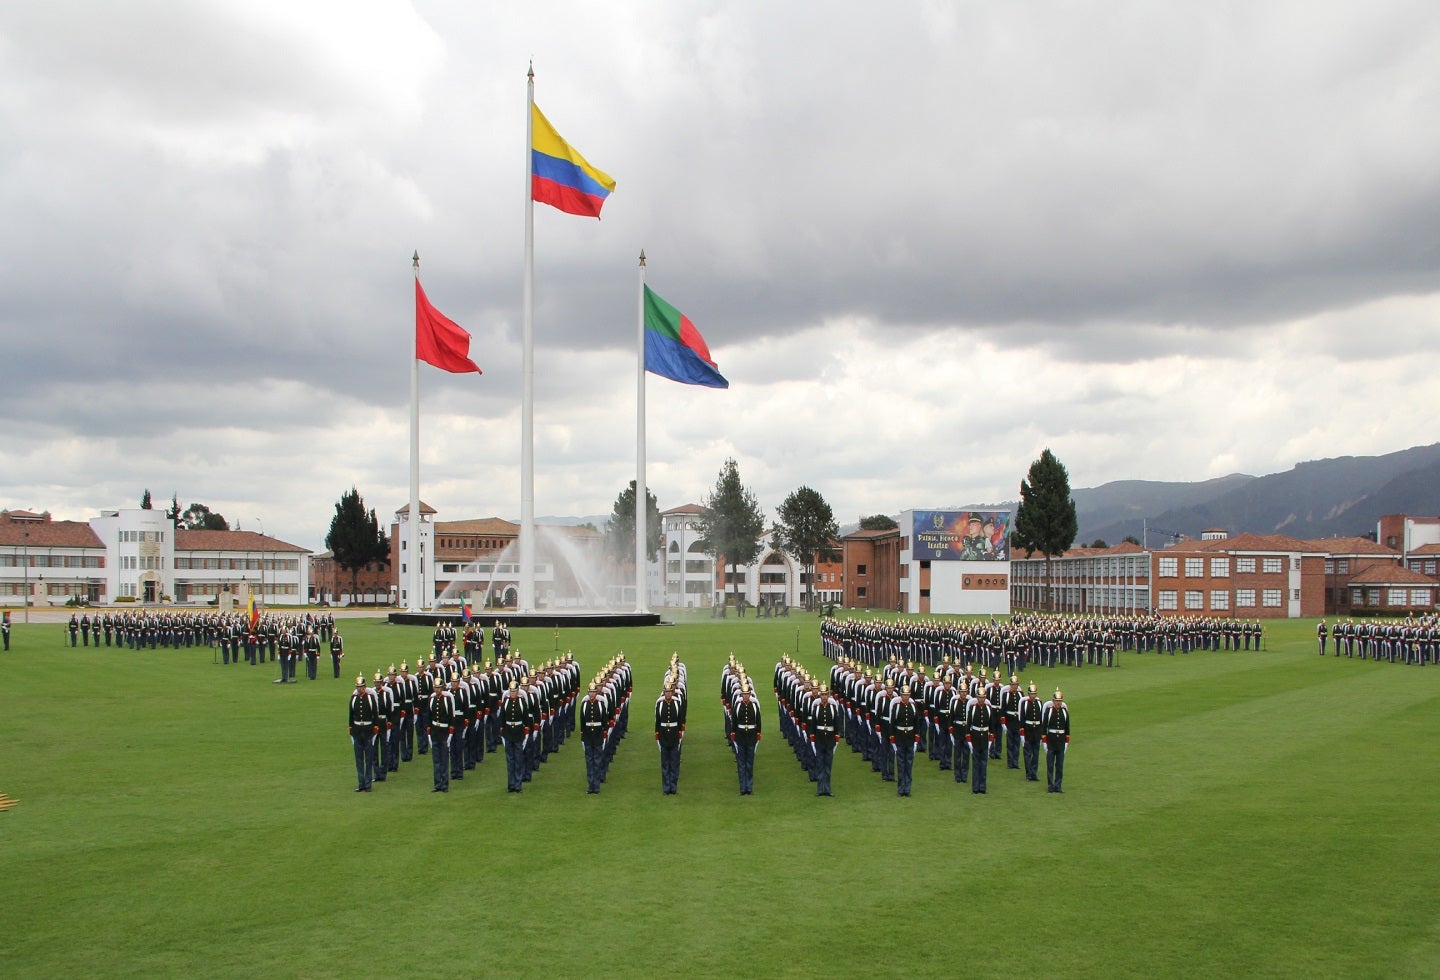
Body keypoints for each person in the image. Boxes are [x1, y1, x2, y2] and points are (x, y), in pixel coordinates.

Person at [347, 675, 379, 792]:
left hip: (368, 731)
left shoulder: (370, 698)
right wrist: (351, 729)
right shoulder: (354, 698)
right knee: (359, 759)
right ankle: (361, 783)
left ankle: (368, 783)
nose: (359, 689)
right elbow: (351, 715)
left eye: (361, 686)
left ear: (365, 687)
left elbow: (375, 715)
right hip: (357, 731)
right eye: (358, 687)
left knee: (368, 759)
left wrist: (374, 730)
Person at [731, 679, 761, 795]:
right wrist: (734, 736)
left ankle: (749, 787)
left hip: (751, 737)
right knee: (741, 764)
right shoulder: (737, 706)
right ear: (742, 695)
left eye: (747, 694)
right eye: (744, 694)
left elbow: (758, 721)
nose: (746, 696)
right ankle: (742, 788)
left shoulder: (754, 706)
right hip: (741, 737)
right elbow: (734, 722)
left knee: (749, 763)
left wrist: (758, 735)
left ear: (750, 694)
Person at [654, 677, 685, 794]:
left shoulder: (677, 703)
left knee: (674, 763)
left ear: (672, 692)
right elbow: (657, 721)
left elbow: (680, 721)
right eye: (666, 692)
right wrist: (657, 734)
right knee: (665, 764)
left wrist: (679, 735)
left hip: (674, 736)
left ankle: (673, 786)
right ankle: (666, 787)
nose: (667, 694)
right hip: (663, 737)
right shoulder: (660, 704)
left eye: (669, 692)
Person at [427, 673, 456, 792]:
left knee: (444, 759)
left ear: (442, 688)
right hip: (435, 731)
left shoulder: (447, 699)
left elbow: (451, 717)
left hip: (444, 732)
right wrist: (429, 732)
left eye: (439, 687)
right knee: (436, 760)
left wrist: (450, 734)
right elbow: (429, 716)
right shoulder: (432, 699)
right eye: (435, 687)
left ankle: (444, 784)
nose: (437, 689)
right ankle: (437, 783)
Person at [889, 684, 920, 796]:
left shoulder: (913, 706)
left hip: (910, 738)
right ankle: (901, 789)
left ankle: (908, 789)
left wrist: (916, 738)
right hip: (900, 738)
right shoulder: (896, 706)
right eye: (903, 695)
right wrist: (892, 739)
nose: (905, 697)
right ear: (901, 695)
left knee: (909, 764)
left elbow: (917, 723)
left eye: (907, 695)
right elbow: (892, 723)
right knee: (901, 765)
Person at [1042, 689, 1071, 793]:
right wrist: (1044, 743)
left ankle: (1058, 785)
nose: (1058, 702)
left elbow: (1067, 729)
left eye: (1060, 701)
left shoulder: (1064, 712)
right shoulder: (1049, 711)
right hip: (1051, 742)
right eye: (1056, 700)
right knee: (1050, 765)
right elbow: (1044, 728)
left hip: (1060, 743)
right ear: (1053, 701)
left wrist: (1066, 743)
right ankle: (1050, 785)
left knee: (1059, 766)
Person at [965, 687, 994, 794]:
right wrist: (970, 743)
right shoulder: (972, 709)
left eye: (983, 697)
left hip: (985, 739)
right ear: (976, 698)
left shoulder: (988, 709)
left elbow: (992, 728)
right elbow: (968, 728)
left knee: (984, 764)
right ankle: (975, 787)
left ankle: (983, 787)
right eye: (979, 697)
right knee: (976, 764)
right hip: (975, 738)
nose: (981, 699)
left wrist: (990, 742)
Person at [1018, 681, 1044, 782]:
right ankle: (1029, 773)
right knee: (1028, 753)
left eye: (1034, 694)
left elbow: (1041, 719)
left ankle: (1034, 773)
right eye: (1031, 694)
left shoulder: (1039, 702)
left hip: (1036, 730)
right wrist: (1022, 734)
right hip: (1028, 730)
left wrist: (1041, 733)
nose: (1033, 696)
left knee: (1036, 754)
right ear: (1028, 694)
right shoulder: (1025, 703)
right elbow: (1022, 719)